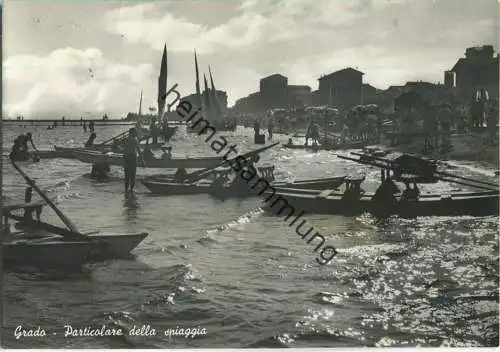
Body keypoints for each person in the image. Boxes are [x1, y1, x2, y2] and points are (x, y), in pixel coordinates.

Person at [123, 128, 144, 193]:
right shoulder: (135, 140)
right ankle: (131, 190)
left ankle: (126, 190)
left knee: (126, 175)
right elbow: (138, 151)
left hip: (126, 158)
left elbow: (123, 150)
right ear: (132, 133)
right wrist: (142, 160)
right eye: (135, 133)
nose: (136, 134)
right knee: (132, 175)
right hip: (132, 158)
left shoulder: (125, 139)